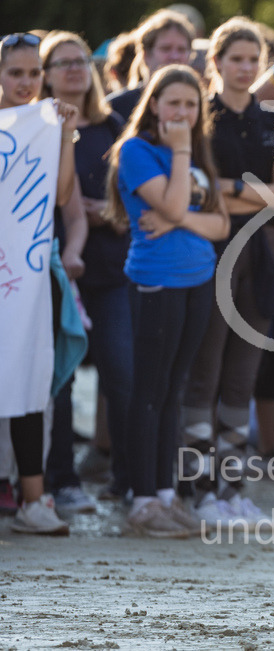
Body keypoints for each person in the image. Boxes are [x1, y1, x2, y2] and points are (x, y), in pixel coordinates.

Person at [179, 17, 274, 529]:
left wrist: (227, 187)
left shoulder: (273, 119)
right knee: (203, 376)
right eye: (236, 59)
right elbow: (191, 188)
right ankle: (198, 489)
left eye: (254, 59)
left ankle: (231, 489)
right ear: (217, 62)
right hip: (209, 256)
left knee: (242, 380)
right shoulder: (197, 117)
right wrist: (252, 191)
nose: (246, 67)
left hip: (260, 259)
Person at [105, 64, 230, 537]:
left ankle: (164, 494)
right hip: (156, 281)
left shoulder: (195, 153)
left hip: (199, 279)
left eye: (191, 105)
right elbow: (179, 205)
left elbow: (219, 225)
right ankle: (142, 500)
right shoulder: (136, 151)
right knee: (149, 391)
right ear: (153, 104)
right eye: (173, 103)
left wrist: (179, 219)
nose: (182, 112)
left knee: (175, 389)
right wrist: (179, 158)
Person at [40, 30, 129, 511]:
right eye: (61, 62)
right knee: (60, 378)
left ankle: (127, 479)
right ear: (45, 74)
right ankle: (60, 479)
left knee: (121, 373)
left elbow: (133, 199)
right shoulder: (29, 124)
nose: (74, 69)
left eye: (80, 61)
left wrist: (107, 213)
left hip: (110, 268)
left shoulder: (112, 124)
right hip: (45, 268)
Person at [0, 31, 79, 535]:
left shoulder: (45, 126)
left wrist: (64, 137)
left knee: (28, 377)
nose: (27, 83)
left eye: (34, 73)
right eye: (15, 73)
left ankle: (34, 499)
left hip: (28, 278)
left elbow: (60, 194)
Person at [105, 9, 195, 120]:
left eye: (181, 49)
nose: (174, 56)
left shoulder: (200, 106)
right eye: (166, 49)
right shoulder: (115, 108)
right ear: (145, 54)